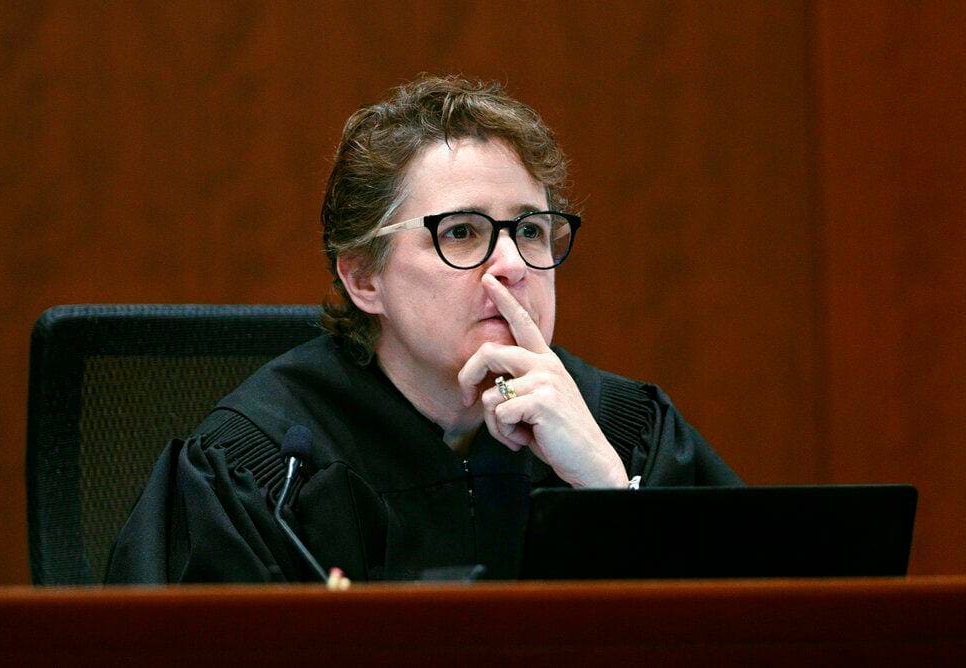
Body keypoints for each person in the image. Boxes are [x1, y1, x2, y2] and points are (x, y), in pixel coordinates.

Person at [106, 75, 742, 584]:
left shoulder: (626, 434)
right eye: (461, 232)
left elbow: (758, 633)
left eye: (530, 230)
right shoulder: (264, 467)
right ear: (363, 278)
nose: (514, 265)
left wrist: (606, 490)